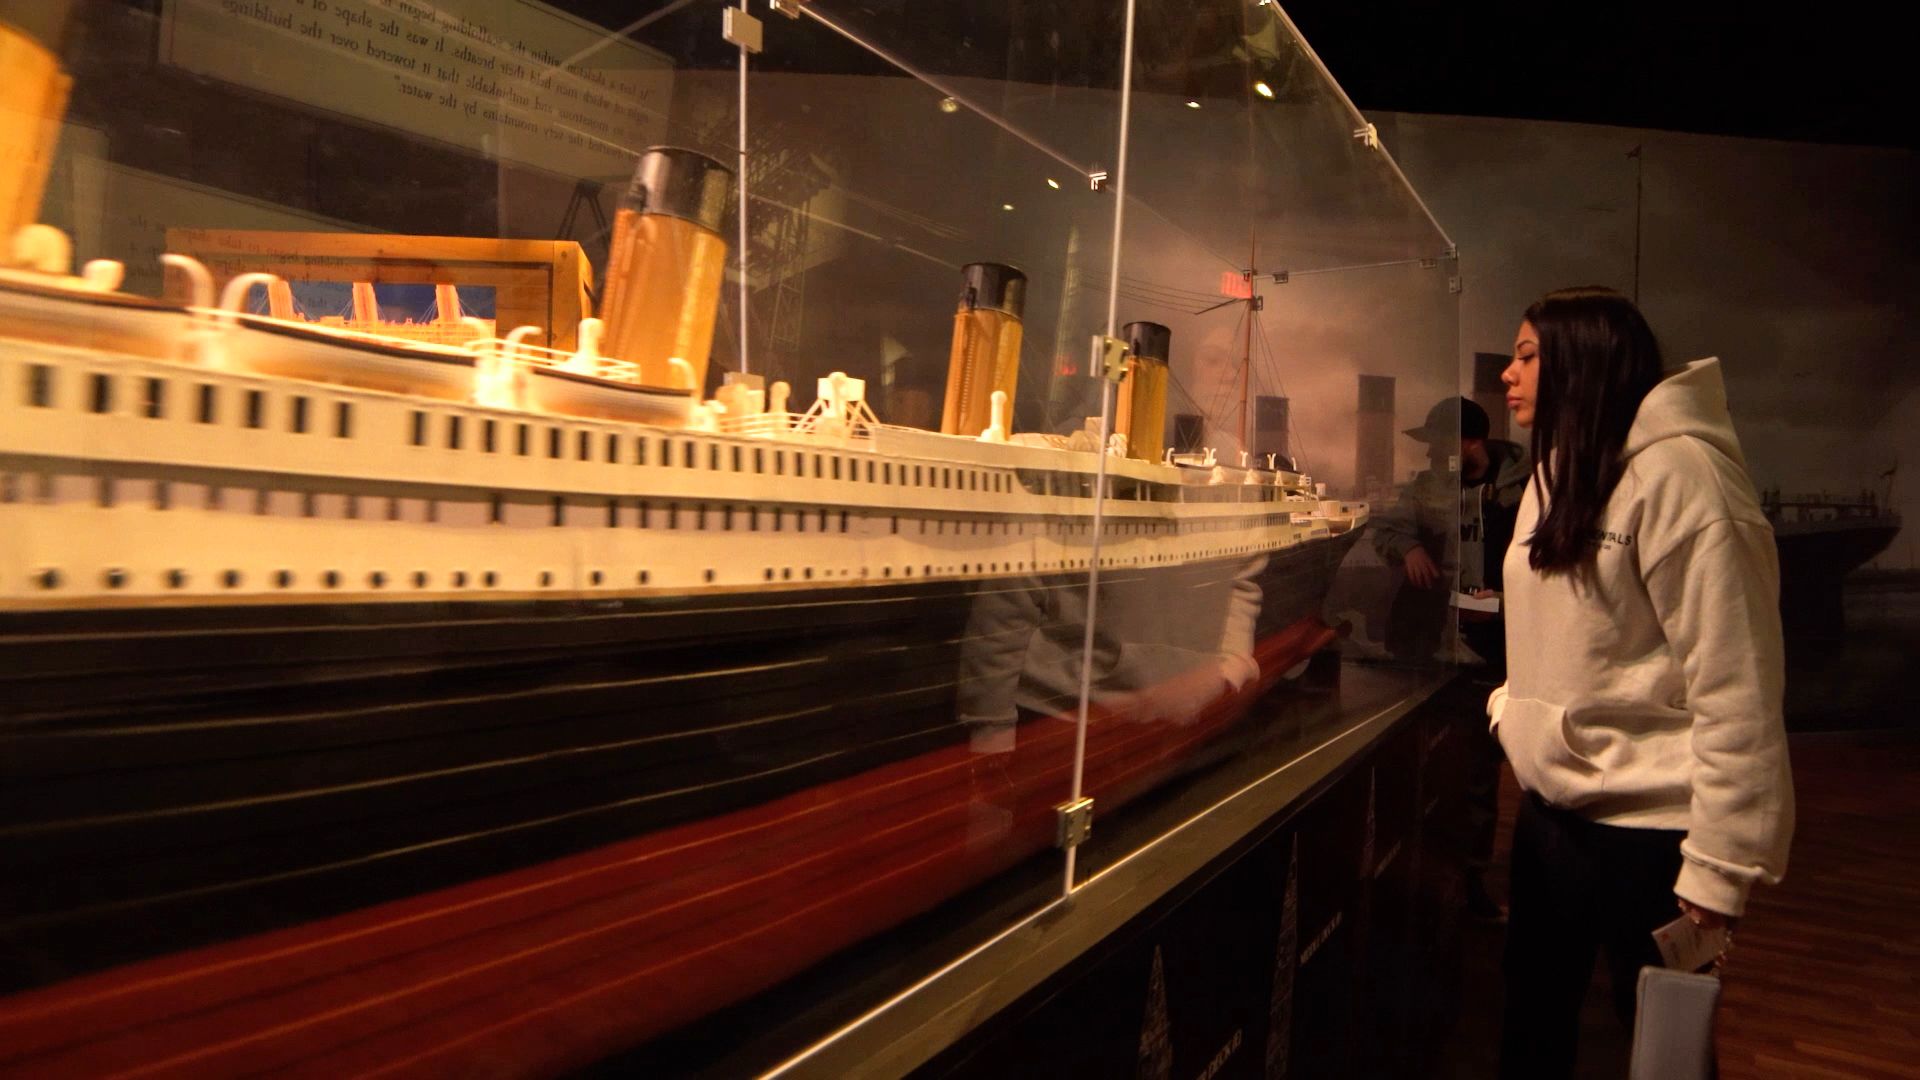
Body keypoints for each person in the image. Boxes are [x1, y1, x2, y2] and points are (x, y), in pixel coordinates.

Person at [1492, 287, 1794, 1079]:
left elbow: (1740, 689)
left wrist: (1720, 868)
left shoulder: (1685, 480)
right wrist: (1511, 714)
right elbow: (1558, 643)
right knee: (1532, 1036)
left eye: (1526, 355)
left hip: (1654, 837)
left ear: (1582, 360)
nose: (1507, 374)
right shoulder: (1556, 471)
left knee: (1663, 1055)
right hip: (1550, 820)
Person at [1374, 397, 1529, 919]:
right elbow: (1388, 528)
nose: (1436, 456)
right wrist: (1409, 549)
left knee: (1478, 775)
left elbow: (1552, 567)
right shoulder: (1427, 486)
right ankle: (1417, 878)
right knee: (1424, 764)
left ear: (1471, 443)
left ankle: (1469, 885)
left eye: (1443, 445)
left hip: (1493, 650)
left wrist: (1503, 606)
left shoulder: (1527, 490)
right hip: (1430, 642)